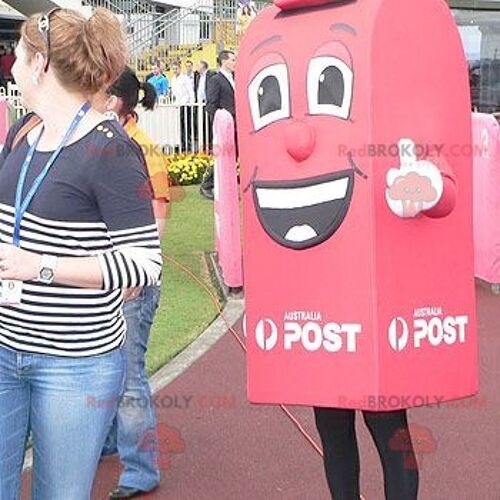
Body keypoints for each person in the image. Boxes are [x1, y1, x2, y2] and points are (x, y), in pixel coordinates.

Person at [0, 8, 162, 500]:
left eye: (20, 55)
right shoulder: (24, 130)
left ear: (41, 66)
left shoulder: (110, 149)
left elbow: (144, 263)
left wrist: (41, 268)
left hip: (74, 363)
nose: (11, 65)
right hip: (6, 348)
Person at [93, 67, 169, 499]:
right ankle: (107, 442)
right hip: (106, 274)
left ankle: (140, 470)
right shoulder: (106, 143)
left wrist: (134, 272)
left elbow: (158, 219)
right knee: (107, 363)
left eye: (98, 91)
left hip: (131, 280)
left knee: (128, 373)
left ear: (116, 101)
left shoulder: (141, 149)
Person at [203, 50, 237, 199]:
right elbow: (211, 104)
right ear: (224, 61)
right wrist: (219, 121)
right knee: (222, 154)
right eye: (233, 60)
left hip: (235, 123)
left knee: (232, 155)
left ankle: (224, 184)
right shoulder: (216, 79)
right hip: (225, 125)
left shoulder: (233, 78)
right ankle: (207, 185)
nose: (235, 62)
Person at [170, 60, 195, 152]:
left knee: (186, 125)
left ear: (180, 68)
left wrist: (192, 103)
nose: (174, 70)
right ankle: (180, 143)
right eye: (173, 69)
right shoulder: (173, 79)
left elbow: (190, 91)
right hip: (177, 104)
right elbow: (174, 93)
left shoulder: (185, 78)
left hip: (185, 104)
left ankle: (187, 144)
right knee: (179, 126)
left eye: (176, 69)